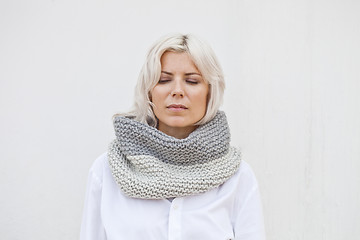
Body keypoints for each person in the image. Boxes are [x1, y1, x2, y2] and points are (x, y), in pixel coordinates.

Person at [80, 33, 266, 240]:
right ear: (149, 90)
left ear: (210, 92)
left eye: (192, 81)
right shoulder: (107, 171)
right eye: (164, 80)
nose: (177, 91)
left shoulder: (238, 177)